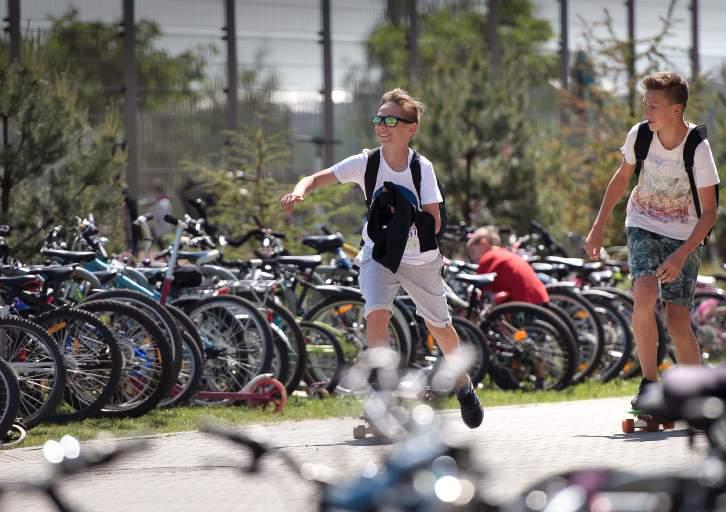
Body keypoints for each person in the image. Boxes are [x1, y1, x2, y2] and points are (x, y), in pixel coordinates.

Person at [280, 88, 483, 429]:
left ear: (410, 129)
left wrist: (405, 218)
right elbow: (317, 178)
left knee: (441, 328)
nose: (382, 125)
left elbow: (434, 220)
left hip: (420, 259)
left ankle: (464, 386)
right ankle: (383, 397)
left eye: (391, 120)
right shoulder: (366, 162)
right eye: (379, 119)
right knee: (375, 316)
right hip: (379, 254)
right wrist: (300, 191)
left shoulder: (421, 168)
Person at [584, 72, 719, 408]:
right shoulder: (641, 135)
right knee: (644, 296)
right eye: (646, 103)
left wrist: (681, 255)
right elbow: (621, 178)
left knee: (677, 319)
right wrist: (599, 225)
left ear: (675, 110)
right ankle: (648, 385)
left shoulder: (697, 149)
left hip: (684, 235)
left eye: (654, 106)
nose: (646, 111)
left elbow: (709, 213)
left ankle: (698, 393)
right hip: (642, 223)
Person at [466, 226, 549, 306]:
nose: (474, 259)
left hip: (525, 304)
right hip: (540, 299)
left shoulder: (488, 257)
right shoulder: (504, 253)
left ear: (484, 243)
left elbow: (478, 288)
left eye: (473, 252)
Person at [150, 178, 173, 250]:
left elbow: (160, 214)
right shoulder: (158, 201)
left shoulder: (163, 201)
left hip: (162, 224)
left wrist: (156, 218)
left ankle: (167, 257)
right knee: (161, 242)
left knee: (164, 242)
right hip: (160, 225)